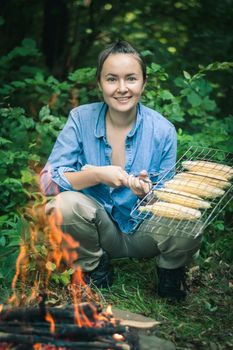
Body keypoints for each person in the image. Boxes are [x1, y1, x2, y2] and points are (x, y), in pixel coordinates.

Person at [40, 40, 202, 301]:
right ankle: (95, 267)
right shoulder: (81, 119)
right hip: (98, 231)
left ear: (143, 83)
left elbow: (167, 198)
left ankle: (170, 271)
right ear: (100, 83)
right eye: (112, 79)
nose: (122, 88)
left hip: (144, 232)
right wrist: (96, 175)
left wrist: (145, 193)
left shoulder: (162, 130)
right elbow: (47, 183)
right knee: (61, 205)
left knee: (190, 223)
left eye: (131, 79)